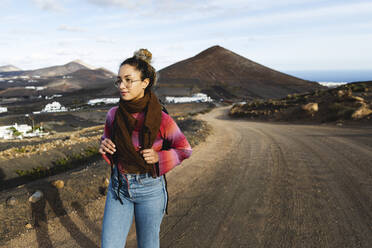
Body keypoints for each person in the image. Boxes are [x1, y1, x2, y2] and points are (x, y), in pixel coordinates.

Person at [99, 48, 192, 248]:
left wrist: (160, 157)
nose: (122, 86)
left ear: (145, 83)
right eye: (119, 80)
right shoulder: (113, 115)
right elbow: (107, 139)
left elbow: (184, 149)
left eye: (128, 80)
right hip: (119, 187)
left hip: (150, 188)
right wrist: (104, 145)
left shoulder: (162, 119)